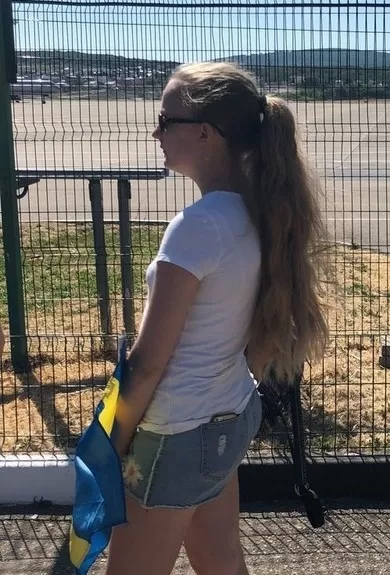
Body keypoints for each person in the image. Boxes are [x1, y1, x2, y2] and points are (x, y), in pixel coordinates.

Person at [104, 62, 329, 575]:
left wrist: (110, 447)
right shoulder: (259, 211)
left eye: (165, 120)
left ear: (204, 132)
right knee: (222, 563)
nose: (156, 132)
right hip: (227, 418)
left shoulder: (197, 228)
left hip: (173, 436)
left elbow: (146, 366)